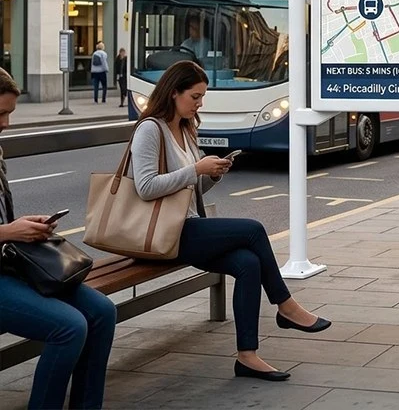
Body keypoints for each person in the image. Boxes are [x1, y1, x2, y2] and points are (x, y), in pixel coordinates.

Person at [128, 61, 330, 381]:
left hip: (187, 225)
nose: (200, 103)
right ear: (174, 92)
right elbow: (146, 186)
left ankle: (247, 357)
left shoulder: (185, 128)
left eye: (202, 96)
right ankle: (285, 305)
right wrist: (196, 169)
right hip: (164, 233)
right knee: (253, 230)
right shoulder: (150, 129)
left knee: (248, 264)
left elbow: (190, 188)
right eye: (195, 96)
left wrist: (213, 174)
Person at [0, 68, 116, 409]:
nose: (6, 123)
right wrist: (9, 232)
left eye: (9, 113)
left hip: (10, 267)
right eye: (0, 113)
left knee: (102, 312)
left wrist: (23, 226)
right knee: (69, 327)